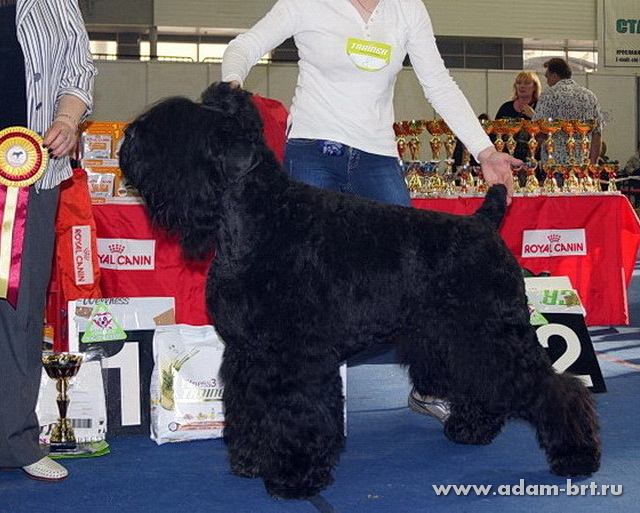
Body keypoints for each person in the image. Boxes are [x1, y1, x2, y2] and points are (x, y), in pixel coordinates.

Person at [220, 0, 520, 424]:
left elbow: (439, 83)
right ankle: (304, 402)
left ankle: (431, 387)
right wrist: (231, 89)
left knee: (416, 280)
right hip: (313, 150)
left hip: (377, 154)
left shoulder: (407, 9)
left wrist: (485, 151)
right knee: (305, 289)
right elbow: (244, 47)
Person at [0, 0, 96, 481]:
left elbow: (79, 65)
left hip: (29, 174)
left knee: (20, 312)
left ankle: (15, 440)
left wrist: (67, 120)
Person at [533, 57, 604, 166]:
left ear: (554, 76)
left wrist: (531, 157)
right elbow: (597, 134)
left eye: (547, 77)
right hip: (582, 163)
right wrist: (593, 163)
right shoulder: (590, 96)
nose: (547, 81)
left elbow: (538, 131)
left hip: (554, 164)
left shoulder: (548, 95)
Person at [495, 71, 542, 163]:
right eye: (519, 83)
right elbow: (495, 133)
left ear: (534, 87)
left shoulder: (540, 108)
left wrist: (534, 116)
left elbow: (547, 133)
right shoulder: (506, 107)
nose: (522, 86)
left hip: (531, 160)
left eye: (526, 83)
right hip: (506, 159)